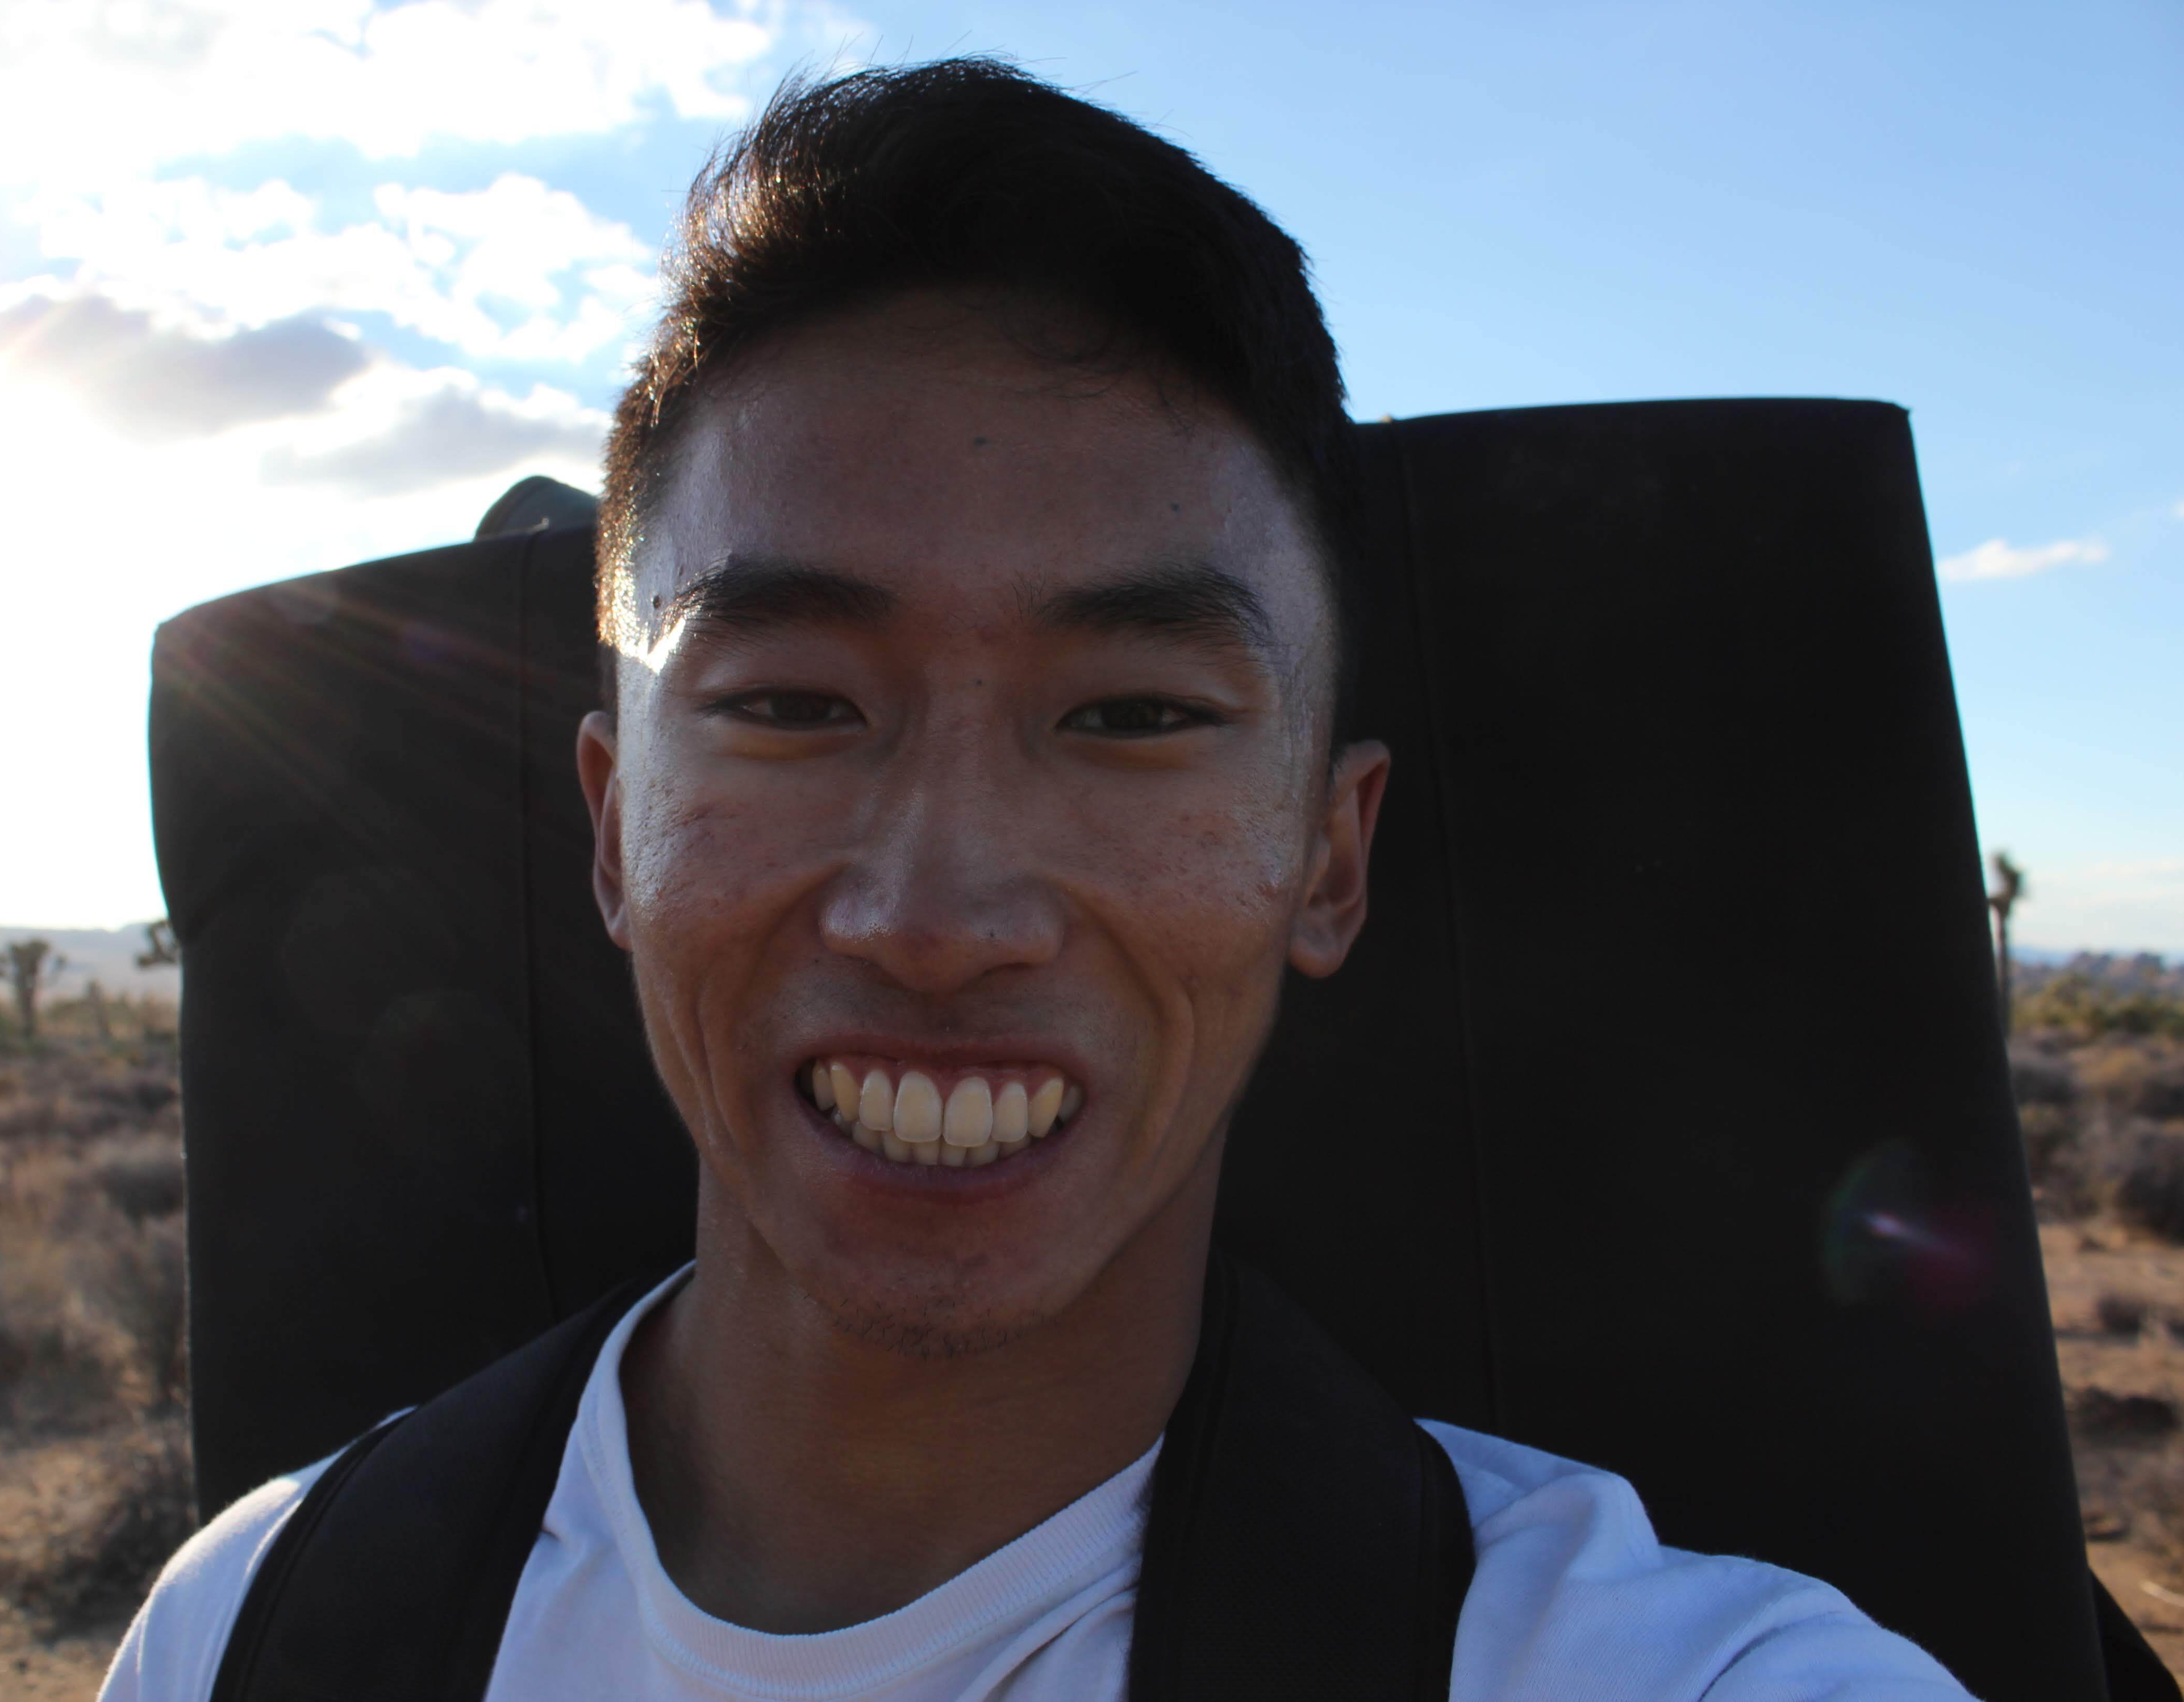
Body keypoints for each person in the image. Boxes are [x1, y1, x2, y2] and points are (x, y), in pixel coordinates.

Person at [102, 58, 1975, 1700]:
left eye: (1135, 715)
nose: (938, 917)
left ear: (1327, 860)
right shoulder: (257, 1629)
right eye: (792, 704)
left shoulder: (1662, 1669)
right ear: (612, 829)